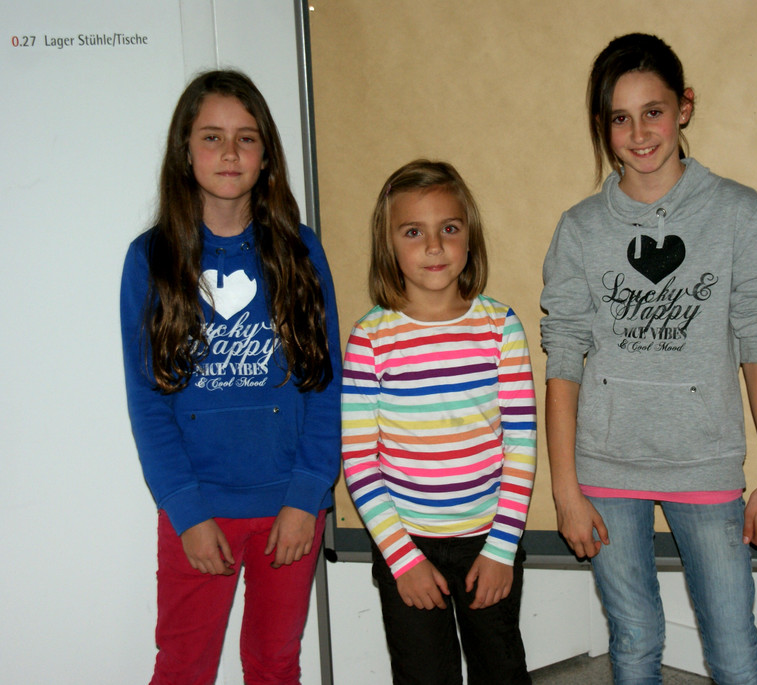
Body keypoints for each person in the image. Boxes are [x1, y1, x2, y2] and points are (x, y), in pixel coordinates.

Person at [540, 33, 757, 685]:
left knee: (733, 648)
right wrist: (565, 489)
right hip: (605, 468)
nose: (638, 133)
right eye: (619, 118)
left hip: (704, 460)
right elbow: (563, 360)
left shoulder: (739, 214)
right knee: (634, 642)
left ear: (685, 107)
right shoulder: (581, 229)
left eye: (652, 111)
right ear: (604, 126)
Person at [120, 69, 341, 685]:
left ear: (266, 155)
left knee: (274, 663)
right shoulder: (151, 260)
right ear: (185, 151)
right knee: (184, 667)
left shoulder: (300, 251)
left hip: (289, 510)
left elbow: (325, 386)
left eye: (246, 138)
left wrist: (307, 496)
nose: (229, 153)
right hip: (199, 511)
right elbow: (147, 403)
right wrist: (187, 511)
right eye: (211, 137)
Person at [342, 160, 536, 685]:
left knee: (502, 672)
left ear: (469, 237)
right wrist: (402, 559)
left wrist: (501, 549)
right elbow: (360, 462)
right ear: (388, 245)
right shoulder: (370, 339)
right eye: (413, 232)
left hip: (489, 541)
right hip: (407, 543)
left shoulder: (500, 327)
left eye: (449, 228)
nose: (434, 246)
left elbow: (520, 445)